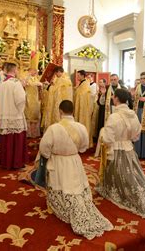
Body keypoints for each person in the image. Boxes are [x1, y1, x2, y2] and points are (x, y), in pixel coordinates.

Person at [40, 100, 113, 239]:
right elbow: (84, 147)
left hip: (58, 162)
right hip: (74, 161)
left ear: (60, 111)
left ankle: (63, 207)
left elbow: (44, 148)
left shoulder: (53, 128)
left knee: (61, 187)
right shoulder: (81, 127)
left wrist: (49, 156)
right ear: (72, 111)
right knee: (75, 188)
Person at [96, 89, 145, 219]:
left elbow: (108, 138)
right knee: (133, 174)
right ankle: (144, 196)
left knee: (119, 175)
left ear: (116, 99)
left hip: (116, 149)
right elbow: (136, 135)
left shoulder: (114, 116)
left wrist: (102, 135)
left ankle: (119, 192)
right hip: (129, 149)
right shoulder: (133, 114)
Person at [0, 62, 28, 169]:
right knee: (16, 141)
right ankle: (16, 163)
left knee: (7, 142)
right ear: (14, 70)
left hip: (4, 115)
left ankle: (6, 162)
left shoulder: (2, 84)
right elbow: (21, 100)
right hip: (15, 116)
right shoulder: (16, 82)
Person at [74, 70, 93, 146]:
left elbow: (85, 95)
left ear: (82, 76)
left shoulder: (86, 84)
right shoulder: (81, 83)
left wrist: (78, 94)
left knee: (83, 124)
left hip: (84, 109)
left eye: (78, 75)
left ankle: (84, 143)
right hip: (79, 107)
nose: (77, 77)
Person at [24, 67, 42, 138]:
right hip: (29, 99)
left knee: (36, 115)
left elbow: (40, 85)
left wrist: (41, 85)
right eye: (34, 71)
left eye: (36, 71)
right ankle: (29, 134)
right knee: (29, 115)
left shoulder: (36, 78)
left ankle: (35, 133)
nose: (35, 72)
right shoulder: (26, 77)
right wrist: (37, 84)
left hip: (36, 99)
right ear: (30, 71)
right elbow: (28, 85)